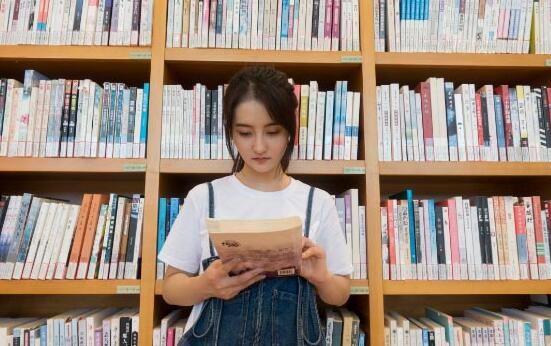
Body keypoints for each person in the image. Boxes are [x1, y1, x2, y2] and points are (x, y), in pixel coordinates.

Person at [158, 65, 352, 346]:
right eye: (245, 133)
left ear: (289, 131)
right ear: (231, 133)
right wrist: (205, 285)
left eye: (272, 132)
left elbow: (341, 293)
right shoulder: (204, 197)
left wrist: (321, 277)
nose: (259, 147)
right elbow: (171, 289)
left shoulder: (317, 202)